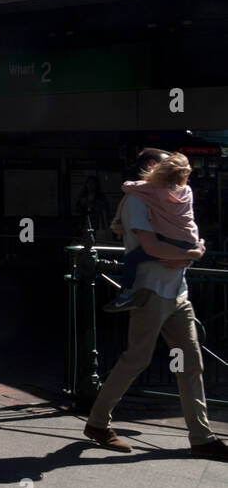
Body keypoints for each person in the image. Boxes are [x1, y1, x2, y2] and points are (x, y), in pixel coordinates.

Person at [84, 148, 227, 460]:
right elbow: (150, 246)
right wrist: (192, 254)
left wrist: (191, 249)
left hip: (177, 292)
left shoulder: (165, 200)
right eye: (166, 161)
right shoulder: (138, 201)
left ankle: (202, 438)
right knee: (136, 359)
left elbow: (178, 237)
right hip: (151, 291)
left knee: (191, 363)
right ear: (151, 166)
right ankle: (97, 422)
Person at [103, 154, 201, 312]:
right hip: (189, 240)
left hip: (156, 286)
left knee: (132, 259)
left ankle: (125, 295)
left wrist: (191, 255)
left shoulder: (153, 193)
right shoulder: (187, 191)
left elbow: (127, 187)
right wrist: (192, 254)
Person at [76, 174, 113, 240]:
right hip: (85, 224)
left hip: (98, 224)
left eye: (92, 183)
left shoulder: (101, 196)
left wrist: (92, 205)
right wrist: (82, 205)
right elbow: (77, 210)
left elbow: (105, 208)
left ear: (96, 185)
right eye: (88, 183)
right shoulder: (83, 195)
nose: (90, 185)